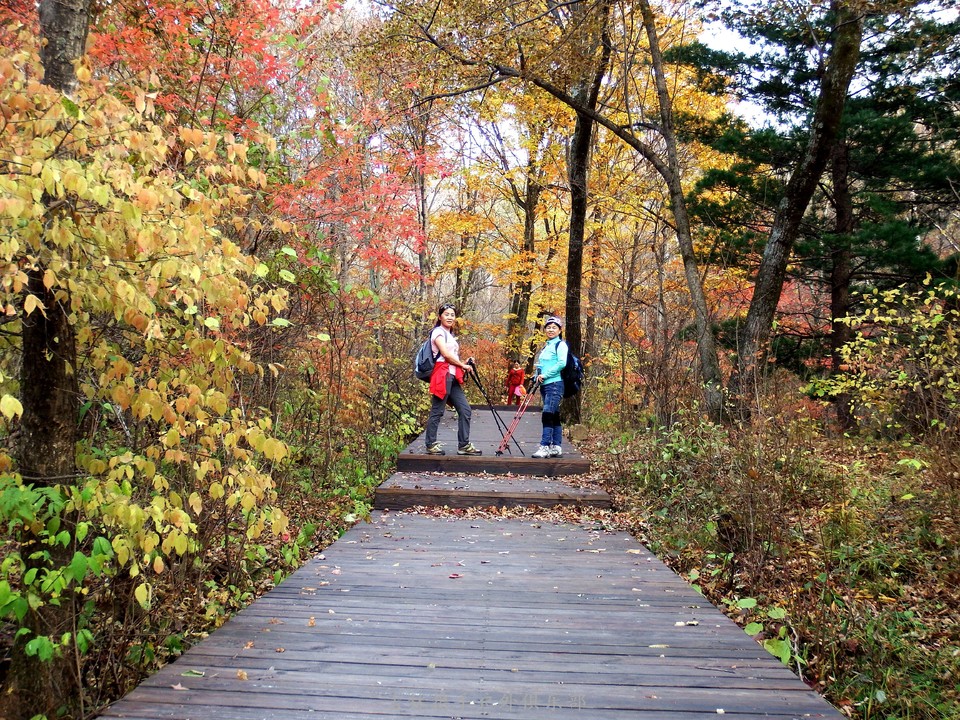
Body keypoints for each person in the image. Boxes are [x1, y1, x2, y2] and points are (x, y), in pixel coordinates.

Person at [423, 303, 482, 456]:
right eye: (447, 314)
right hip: (442, 376)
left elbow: (452, 357)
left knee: (465, 409)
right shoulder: (438, 332)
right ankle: (430, 444)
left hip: (452, 376)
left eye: (452, 315)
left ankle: (463, 445)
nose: (450, 317)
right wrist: (463, 365)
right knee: (437, 410)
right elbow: (446, 355)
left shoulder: (449, 334)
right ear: (440, 316)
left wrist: (464, 362)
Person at [532, 315, 567, 458]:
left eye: (554, 327)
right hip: (545, 385)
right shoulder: (547, 346)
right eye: (548, 327)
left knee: (547, 414)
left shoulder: (561, 345)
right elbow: (542, 365)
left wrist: (545, 375)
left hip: (555, 384)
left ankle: (545, 446)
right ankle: (556, 446)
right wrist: (537, 376)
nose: (551, 330)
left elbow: (561, 363)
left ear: (559, 330)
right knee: (554, 415)